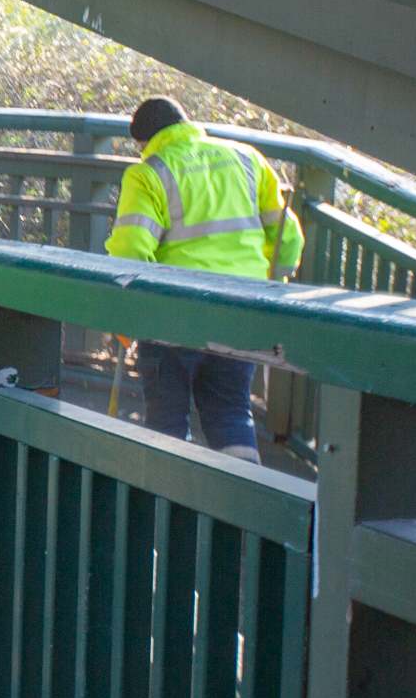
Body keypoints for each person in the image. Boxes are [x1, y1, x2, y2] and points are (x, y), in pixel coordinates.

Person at [106, 96, 304, 463]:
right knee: (231, 412)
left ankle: (167, 511)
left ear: (144, 142)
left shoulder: (148, 172)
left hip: (172, 317)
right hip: (240, 309)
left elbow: (131, 251)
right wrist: (271, 288)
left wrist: (128, 315)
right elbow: (287, 239)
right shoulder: (247, 159)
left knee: (167, 420)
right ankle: (243, 506)